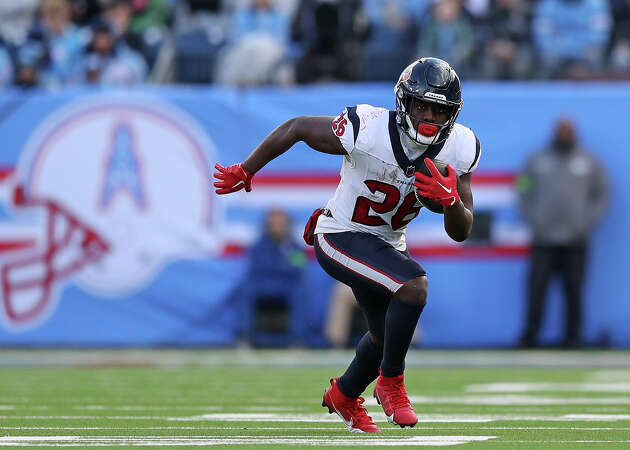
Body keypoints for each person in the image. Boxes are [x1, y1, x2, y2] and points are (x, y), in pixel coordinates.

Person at [213, 57, 481, 433]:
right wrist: (247, 168)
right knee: (414, 286)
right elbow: (297, 128)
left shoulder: (461, 146)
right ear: (404, 101)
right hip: (340, 234)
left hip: (386, 244)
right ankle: (391, 384)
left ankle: (345, 393)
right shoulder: (369, 128)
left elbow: (461, 230)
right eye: (421, 104)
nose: (428, 116)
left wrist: (452, 201)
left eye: (439, 110)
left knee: (385, 334)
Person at [517, 118, 608, 349]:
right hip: (544, 239)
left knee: (574, 290)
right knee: (537, 289)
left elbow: (602, 195)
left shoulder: (589, 162)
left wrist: (586, 222)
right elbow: (523, 189)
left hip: (576, 240)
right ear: (554, 133)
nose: (564, 134)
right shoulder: (537, 161)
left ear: (575, 133)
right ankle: (530, 336)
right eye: (561, 131)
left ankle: (573, 337)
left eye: (568, 131)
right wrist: (534, 219)